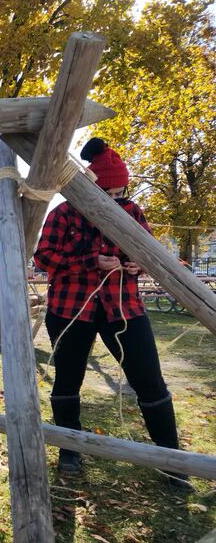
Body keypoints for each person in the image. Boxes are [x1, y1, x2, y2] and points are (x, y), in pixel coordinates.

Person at [34, 137, 188, 488]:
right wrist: (91, 262)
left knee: (149, 380)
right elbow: (43, 258)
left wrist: (138, 264)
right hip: (72, 308)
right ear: (95, 188)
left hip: (124, 308)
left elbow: (149, 254)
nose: (118, 198)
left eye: (122, 191)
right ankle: (69, 450)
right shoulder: (63, 213)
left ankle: (172, 459)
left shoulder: (132, 212)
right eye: (111, 192)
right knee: (68, 379)